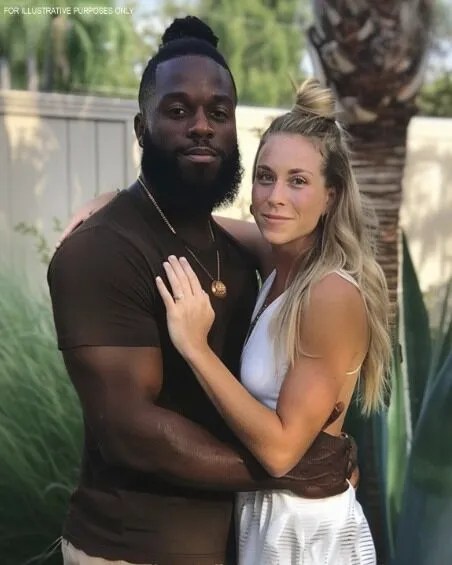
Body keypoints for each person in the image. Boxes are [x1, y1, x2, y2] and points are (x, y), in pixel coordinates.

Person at [48, 16, 357, 565]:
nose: (201, 127)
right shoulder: (100, 252)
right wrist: (293, 469)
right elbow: (131, 433)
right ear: (141, 129)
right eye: (177, 111)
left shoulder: (244, 253)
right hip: (130, 551)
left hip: (252, 542)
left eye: (218, 113)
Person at [149, 79, 392, 564]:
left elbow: (281, 452)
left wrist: (195, 347)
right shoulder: (282, 262)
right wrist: (117, 204)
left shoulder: (329, 293)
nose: (274, 197)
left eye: (297, 181)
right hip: (270, 519)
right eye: (265, 177)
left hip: (305, 534)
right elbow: (197, 224)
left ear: (331, 195)